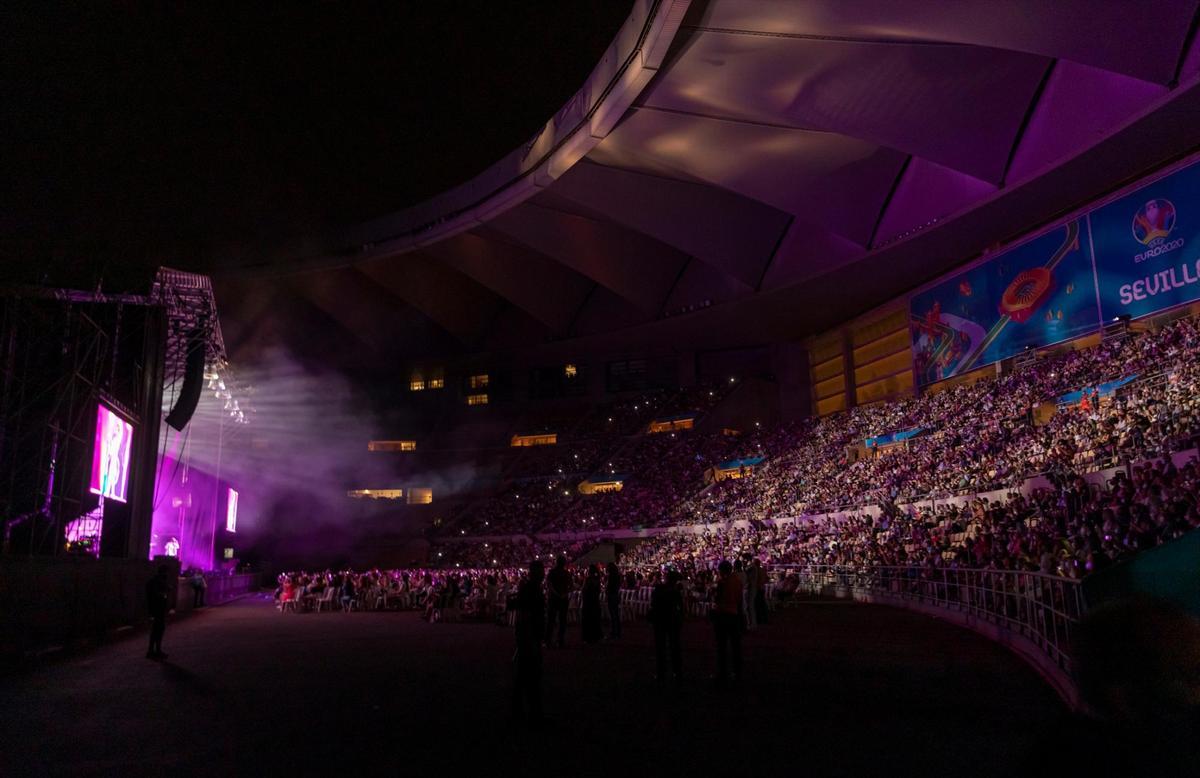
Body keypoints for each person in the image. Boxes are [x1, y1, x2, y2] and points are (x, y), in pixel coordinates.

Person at [512, 560, 546, 723]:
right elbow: (525, 614)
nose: (544, 574)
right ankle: (531, 714)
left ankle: (524, 711)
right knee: (530, 675)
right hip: (529, 636)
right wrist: (528, 637)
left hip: (531, 635)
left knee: (526, 674)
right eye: (541, 571)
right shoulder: (530, 589)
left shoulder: (530, 588)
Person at [711, 560, 743, 685]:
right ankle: (737, 671)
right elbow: (739, 599)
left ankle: (723, 673)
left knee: (722, 646)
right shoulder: (737, 582)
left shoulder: (722, 583)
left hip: (723, 614)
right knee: (735, 646)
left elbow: (718, 599)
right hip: (734, 614)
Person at [650, 570, 684, 683]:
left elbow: (653, 603)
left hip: (660, 620)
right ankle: (677, 672)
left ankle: (661, 673)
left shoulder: (659, 589)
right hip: (672, 621)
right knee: (675, 647)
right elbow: (681, 607)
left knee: (661, 648)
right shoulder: (675, 591)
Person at [146, 565, 172, 660]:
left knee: (156, 630)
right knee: (158, 630)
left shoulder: (153, 581)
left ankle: (153, 650)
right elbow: (162, 593)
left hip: (155, 609)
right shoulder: (158, 582)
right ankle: (155, 650)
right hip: (158, 609)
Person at [545, 556, 571, 648]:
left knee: (551, 620)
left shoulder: (552, 572)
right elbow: (570, 586)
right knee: (562, 620)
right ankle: (560, 640)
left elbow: (549, 585)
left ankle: (548, 640)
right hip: (563, 598)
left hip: (553, 598)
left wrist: (556, 593)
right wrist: (564, 593)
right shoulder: (566, 573)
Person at [581, 565, 603, 644]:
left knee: (587, 619)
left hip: (588, 602)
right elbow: (599, 591)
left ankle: (587, 637)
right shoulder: (597, 579)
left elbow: (584, 590)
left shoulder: (588, 580)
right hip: (595, 601)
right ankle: (595, 636)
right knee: (595, 619)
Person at [605, 561, 622, 639]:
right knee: (615, 614)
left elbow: (609, 586)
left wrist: (607, 590)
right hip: (615, 595)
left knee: (613, 614)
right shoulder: (617, 576)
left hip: (612, 595)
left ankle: (614, 631)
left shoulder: (611, 576)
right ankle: (617, 631)